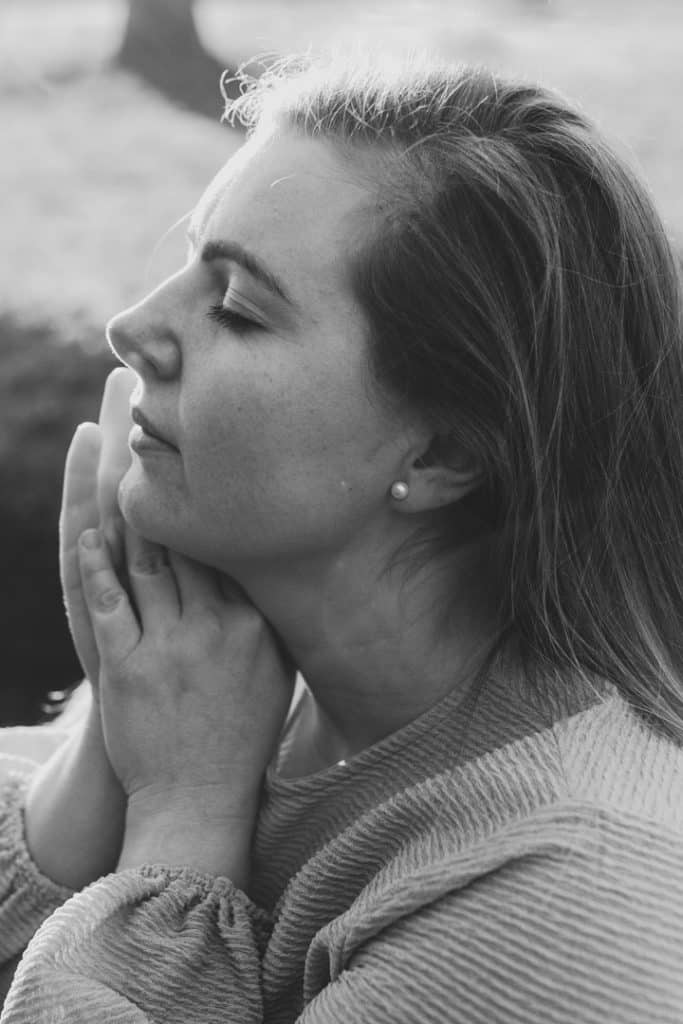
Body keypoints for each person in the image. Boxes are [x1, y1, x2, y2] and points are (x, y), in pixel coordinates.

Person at [1, 54, 682, 1022]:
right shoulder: (238, 661)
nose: (131, 325)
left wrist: (185, 822)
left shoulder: (566, 904)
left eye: (235, 308)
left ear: (442, 452)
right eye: (185, 260)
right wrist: (114, 746)